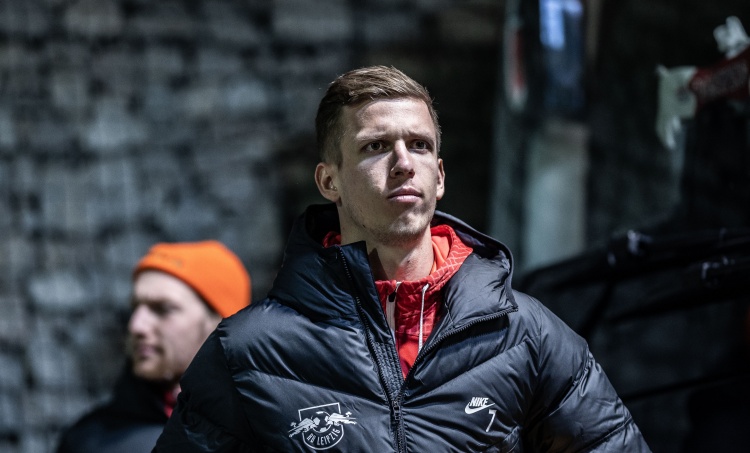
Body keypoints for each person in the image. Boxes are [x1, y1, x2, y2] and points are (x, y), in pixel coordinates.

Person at [154, 66, 650, 451]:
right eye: (376, 146)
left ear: (440, 176)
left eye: (419, 145)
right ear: (329, 181)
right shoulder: (247, 351)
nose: (403, 163)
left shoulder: (525, 334)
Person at [56, 240, 251, 453]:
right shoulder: (87, 441)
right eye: (135, 307)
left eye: (163, 309)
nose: (136, 326)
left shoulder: (271, 430)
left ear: (221, 324)